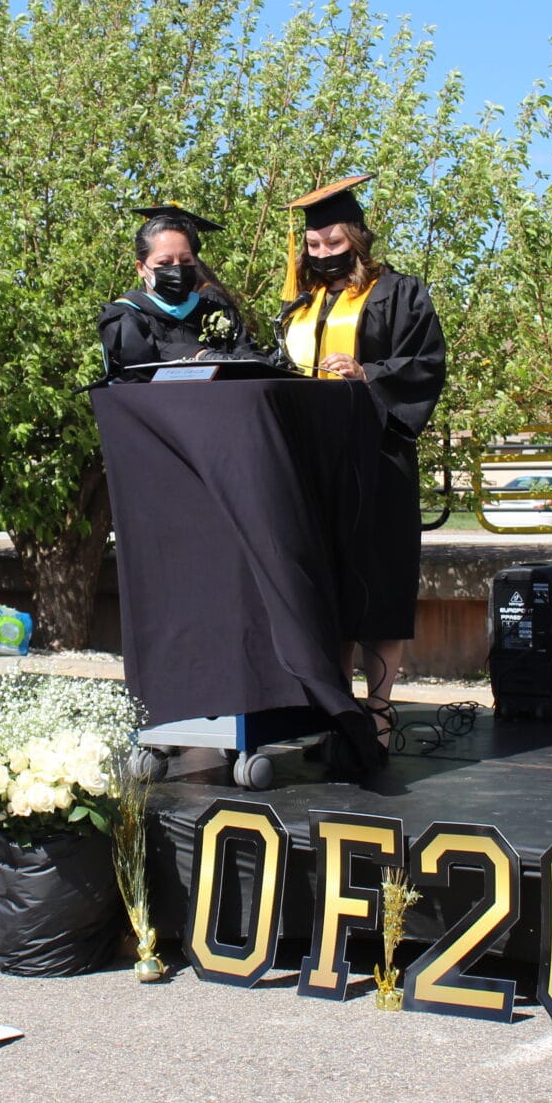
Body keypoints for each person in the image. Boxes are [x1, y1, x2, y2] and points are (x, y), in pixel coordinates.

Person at [275, 174, 446, 777]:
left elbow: (425, 363)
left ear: (358, 238)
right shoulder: (301, 303)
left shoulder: (399, 293)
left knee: (376, 586)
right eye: (314, 247)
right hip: (310, 466)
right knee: (325, 591)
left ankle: (377, 712)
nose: (323, 255)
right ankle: (331, 706)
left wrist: (368, 373)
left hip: (376, 462)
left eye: (334, 243)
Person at [97, 206, 252, 377]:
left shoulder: (216, 311)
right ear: (141, 268)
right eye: (165, 262)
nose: (177, 268)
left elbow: (249, 355)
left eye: (185, 260)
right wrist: (199, 355)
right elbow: (140, 359)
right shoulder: (123, 316)